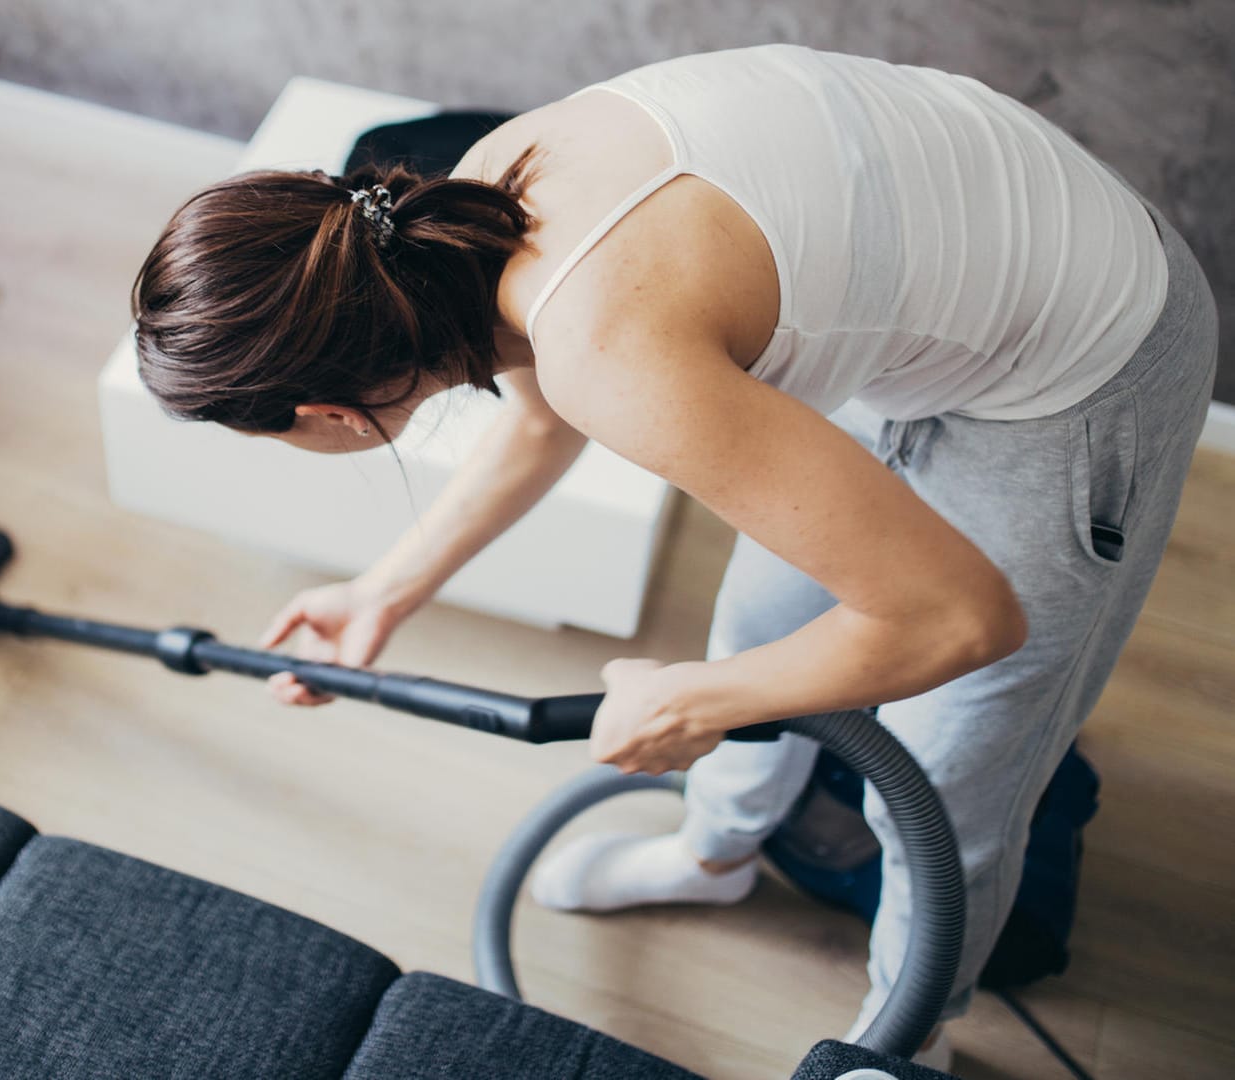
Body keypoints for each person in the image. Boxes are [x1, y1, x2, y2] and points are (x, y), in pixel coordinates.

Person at [130, 45, 1218, 1070]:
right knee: (764, 626)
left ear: (324, 413)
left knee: (945, 775)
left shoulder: (613, 351)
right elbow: (542, 419)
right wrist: (385, 589)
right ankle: (717, 859)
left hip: (1084, 364)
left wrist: (692, 704)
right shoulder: (456, 211)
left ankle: (911, 1033)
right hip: (954, 299)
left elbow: (960, 620)